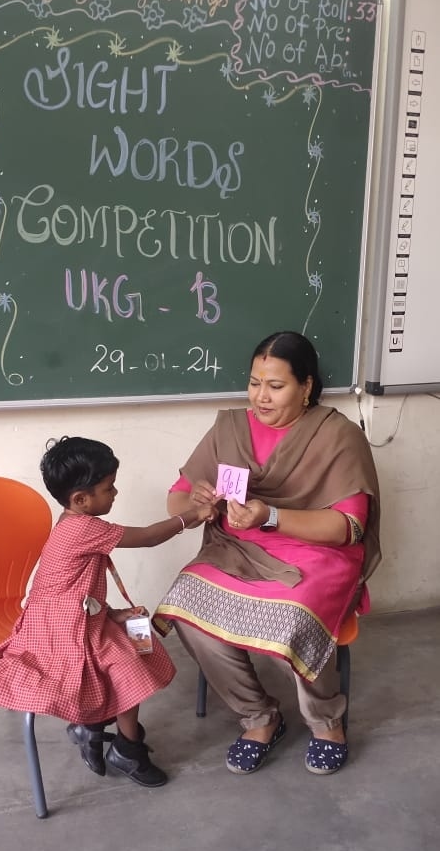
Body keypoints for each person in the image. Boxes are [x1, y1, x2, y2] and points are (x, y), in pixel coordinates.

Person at [154, 331, 381, 776]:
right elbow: (177, 499)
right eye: (254, 383)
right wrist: (198, 504)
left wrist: (271, 516)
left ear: (306, 386)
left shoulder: (338, 436)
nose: (261, 396)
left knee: (294, 616)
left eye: (276, 386)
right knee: (184, 605)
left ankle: (327, 722)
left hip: (316, 552)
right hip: (238, 546)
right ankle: (259, 716)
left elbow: (347, 528)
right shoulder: (229, 429)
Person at [0, 436, 215, 788]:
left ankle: (94, 728)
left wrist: (110, 614)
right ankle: (126, 748)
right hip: (58, 631)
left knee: (133, 645)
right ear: (80, 499)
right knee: (129, 667)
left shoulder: (71, 522)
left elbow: (74, 590)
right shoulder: (83, 528)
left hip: (72, 618)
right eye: (109, 488)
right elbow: (149, 537)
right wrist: (192, 515)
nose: (115, 493)